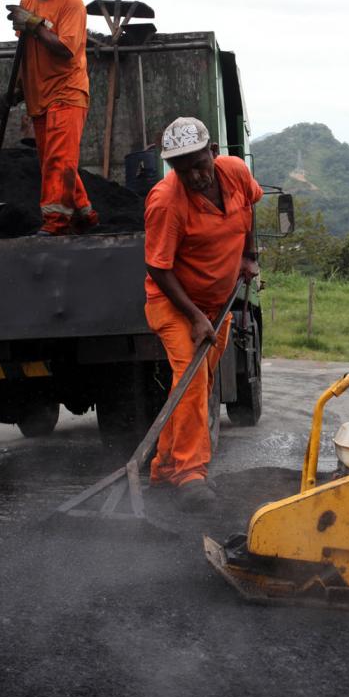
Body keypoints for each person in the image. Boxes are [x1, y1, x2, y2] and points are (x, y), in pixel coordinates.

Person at [142, 117, 261, 512]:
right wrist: (194, 316)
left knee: (199, 382)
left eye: (199, 163)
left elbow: (251, 206)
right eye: (181, 167)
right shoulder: (165, 202)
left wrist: (250, 254)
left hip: (216, 304)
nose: (193, 175)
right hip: (174, 305)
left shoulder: (237, 173)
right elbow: (158, 267)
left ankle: (163, 469)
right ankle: (191, 474)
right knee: (190, 382)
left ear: (213, 153)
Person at [7, 0, 98, 236]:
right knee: (54, 162)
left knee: (59, 160)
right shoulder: (27, 1)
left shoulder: (72, 3)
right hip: (39, 97)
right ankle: (85, 215)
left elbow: (65, 50)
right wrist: (16, 89)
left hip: (67, 93)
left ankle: (56, 225)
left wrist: (33, 25)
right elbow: (25, 51)